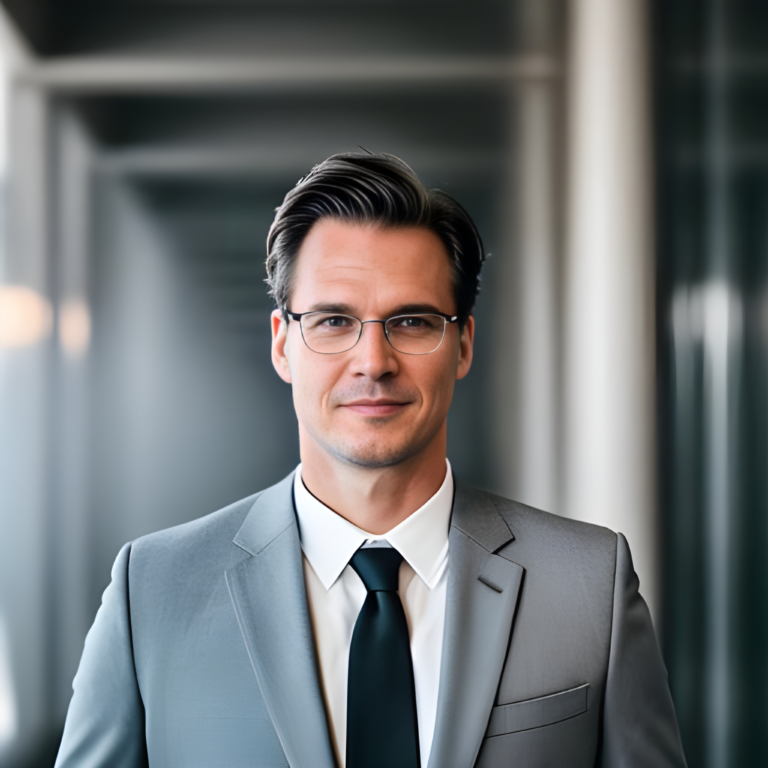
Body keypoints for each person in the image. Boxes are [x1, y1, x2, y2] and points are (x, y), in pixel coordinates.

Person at [55, 152, 687, 768]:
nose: (373, 362)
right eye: (333, 321)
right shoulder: (154, 591)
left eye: (411, 322)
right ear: (283, 345)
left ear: (462, 344)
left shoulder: (589, 586)